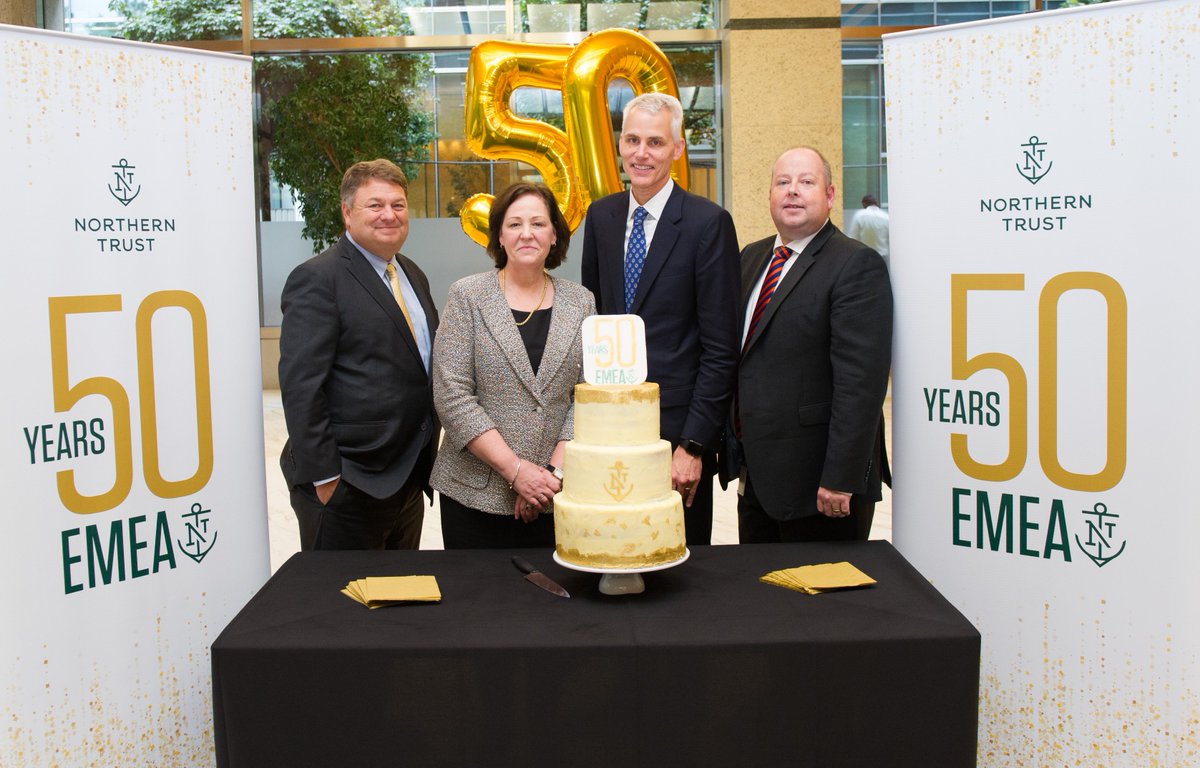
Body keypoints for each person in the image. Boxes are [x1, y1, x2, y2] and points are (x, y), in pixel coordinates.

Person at [581, 92, 740, 546]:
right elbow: (595, 323)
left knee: (677, 558)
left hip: (677, 437)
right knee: (613, 548)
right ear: (619, 145)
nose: (641, 153)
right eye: (632, 140)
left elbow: (720, 347)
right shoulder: (602, 217)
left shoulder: (708, 223)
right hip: (610, 427)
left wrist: (693, 446)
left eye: (655, 141)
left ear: (677, 148)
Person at [723, 146, 892, 542]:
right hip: (760, 479)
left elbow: (861, 384)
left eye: (806, 182)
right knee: (761, 594)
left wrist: (841, 477)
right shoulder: (752, 257)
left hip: (822, 487)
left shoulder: (855, 264)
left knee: (822, 600)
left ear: (830, 195)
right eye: (783, 182)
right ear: (770, 196)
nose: (792, 191)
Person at [278, 159, 438, 550]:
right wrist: (325, 479)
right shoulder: (318, 279)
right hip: (349, 482)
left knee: (398, 602)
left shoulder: (411, 273)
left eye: (398, 205)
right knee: (341, 604)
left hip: (406, 478)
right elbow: (302, 388)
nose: (389, 215)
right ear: (347, 213)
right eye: (375, 205)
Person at [430, 182, 596, 549]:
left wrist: (551, 477)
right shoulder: (468, 296)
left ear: (555, 235)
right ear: (499, 236)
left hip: (554, 495)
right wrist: (516, 471)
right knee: (478, 603)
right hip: (473, 494)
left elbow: (585, 396)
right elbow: (452, 396)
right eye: (514, 224)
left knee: (550, 601)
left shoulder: (581, 301)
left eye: (538, 224)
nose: (527, 234)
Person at [847, 194, 890, 268]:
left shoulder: (859, 216)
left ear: (864, 204)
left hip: (865, 257)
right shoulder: (886, 217)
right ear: (876, 203)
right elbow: (890, 240)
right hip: (883, 257)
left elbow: (853, 239)